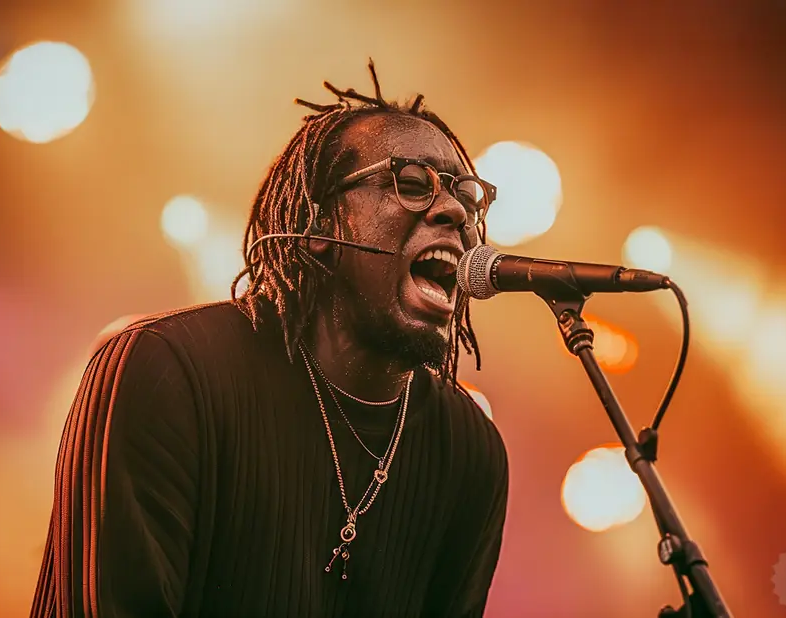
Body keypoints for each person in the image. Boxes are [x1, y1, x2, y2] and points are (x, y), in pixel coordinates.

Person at [30, 60, 509, 618]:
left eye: (468, 200)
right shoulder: (165, 371)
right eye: (411, 183)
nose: (454, 211)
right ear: (323, 223)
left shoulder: (471, 451)